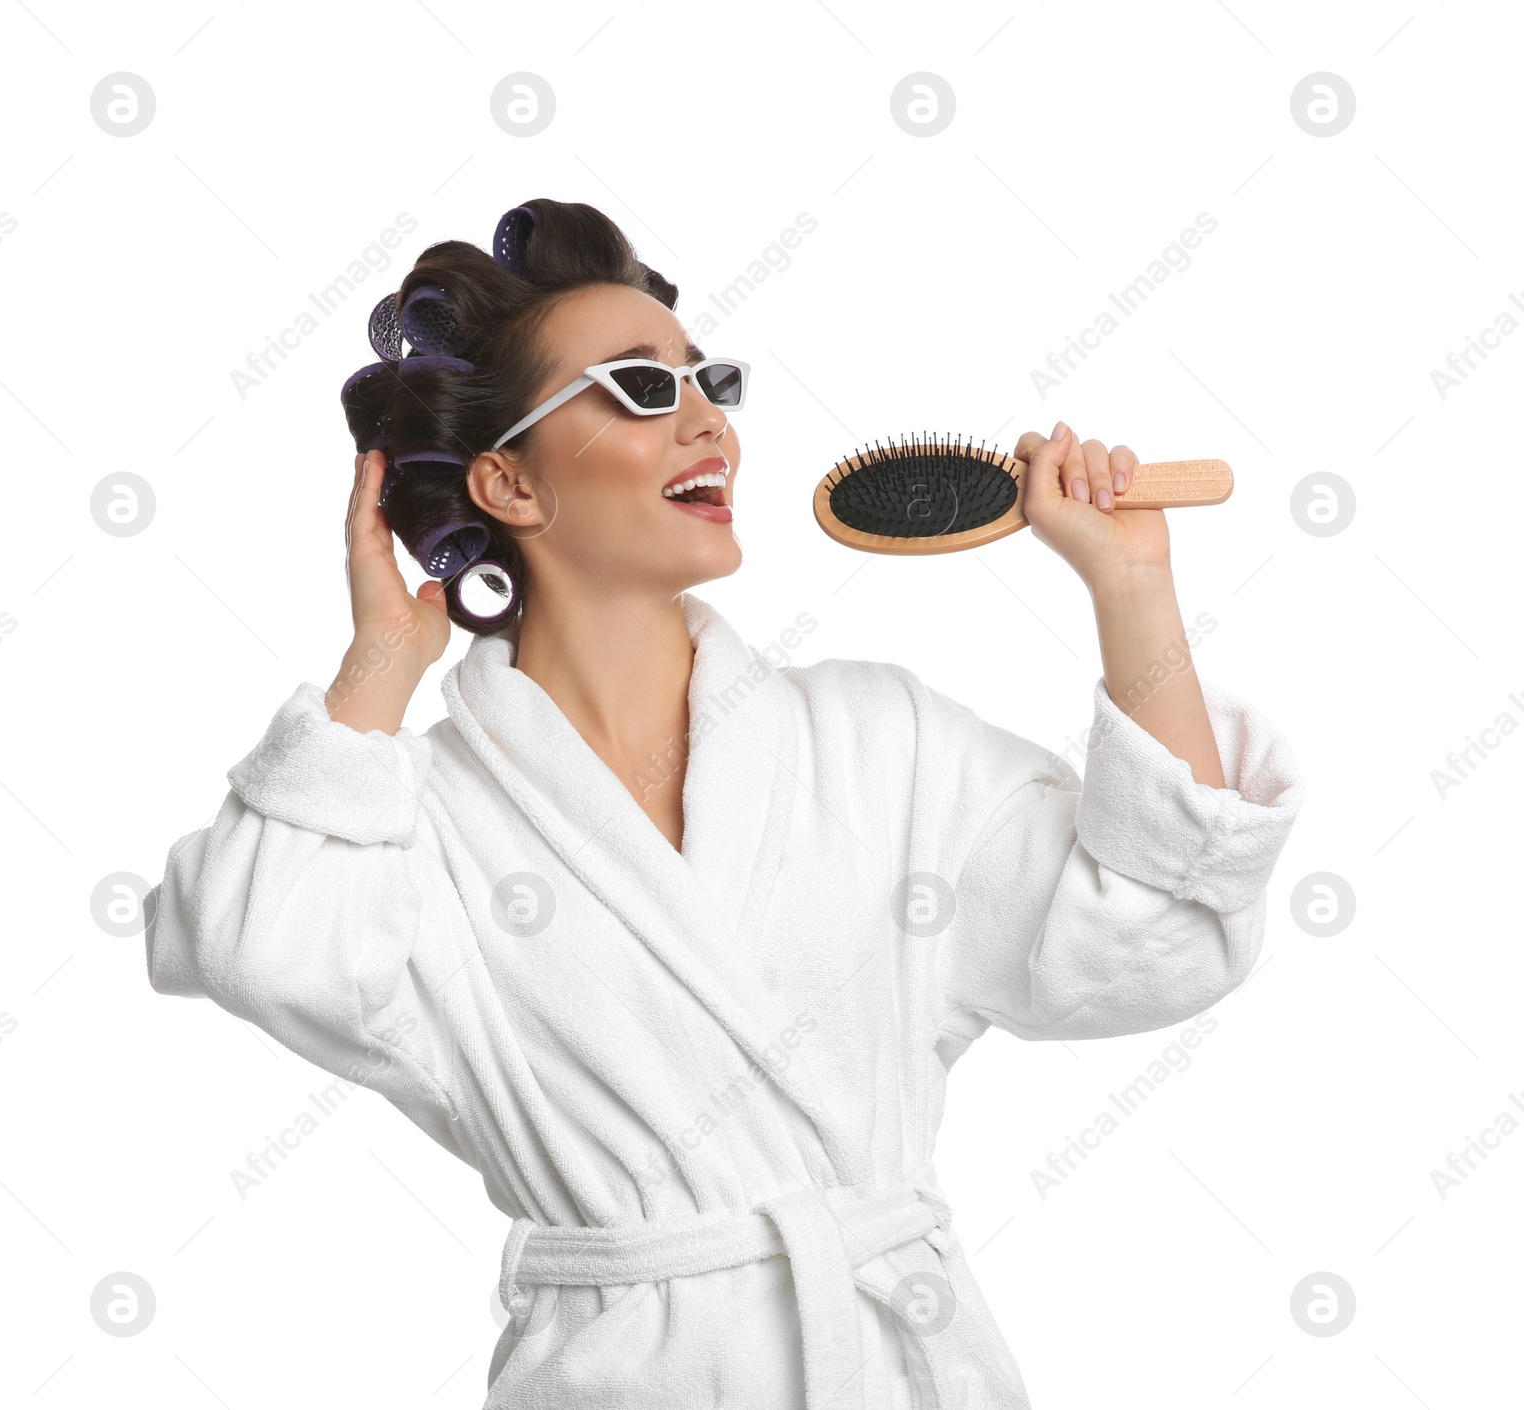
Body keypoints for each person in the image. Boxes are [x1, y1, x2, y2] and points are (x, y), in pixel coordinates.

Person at [145, 199, 1306, 1409]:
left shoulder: (877, 741)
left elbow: (1160, 943)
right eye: (644, 392)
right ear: (510, 482)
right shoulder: (416, 822)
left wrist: (1132, 589)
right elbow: (257, 948)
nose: (712, 424)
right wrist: (378, 668)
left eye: (712, 383)